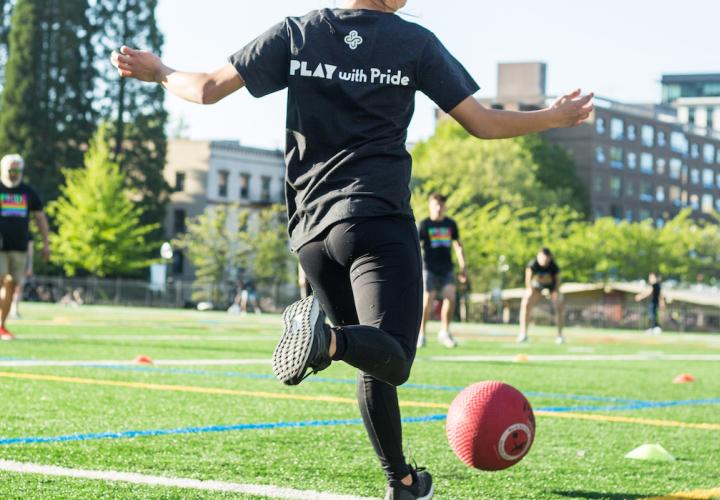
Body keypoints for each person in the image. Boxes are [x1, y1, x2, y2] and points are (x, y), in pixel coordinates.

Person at [111, 1, 592, 496]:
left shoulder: (298, 33)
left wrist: (160, 71)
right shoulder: (412, 42)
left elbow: (207, 89)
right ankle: (328, 342)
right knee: (394, 356)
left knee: (372, 356)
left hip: (312, 235)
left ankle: (402, 481)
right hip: (375, 221)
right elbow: (481, 122)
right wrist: (552, 117)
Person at [0, 155, 50, 340]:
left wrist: (46, 244)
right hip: (0, 247)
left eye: (17, 171)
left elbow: (40, 219)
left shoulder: (28, 192)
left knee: (11, 286)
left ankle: (2, 326)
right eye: (10, 170)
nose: (14, 175)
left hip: (19, 247)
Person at [417, 193, 466, 348]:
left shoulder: (451, 224)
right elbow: (416, 247)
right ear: (430, 205)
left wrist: (463, 266)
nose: (439, 208)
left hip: (447, 268)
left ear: (445, 206)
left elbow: (458, 246)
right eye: (436, 204)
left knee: (451, 297)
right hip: (429, 267)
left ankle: (444, 332)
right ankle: (421, 334)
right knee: (427, 300)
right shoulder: (424, 224)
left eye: (441, 205)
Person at [518, 248, 565, 344]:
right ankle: (523, 334)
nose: (544, 260)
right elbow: (528, 281)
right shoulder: (532, 264)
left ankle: (559, 335)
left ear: (550, 258)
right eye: (543, 258)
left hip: (551, 289)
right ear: (538, 256)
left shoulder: (554, 266)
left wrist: (553, 293)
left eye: (547, 258)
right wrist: (532, 291)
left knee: (559, 304)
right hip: (536, 288)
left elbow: (558, 282)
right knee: (526, 302)